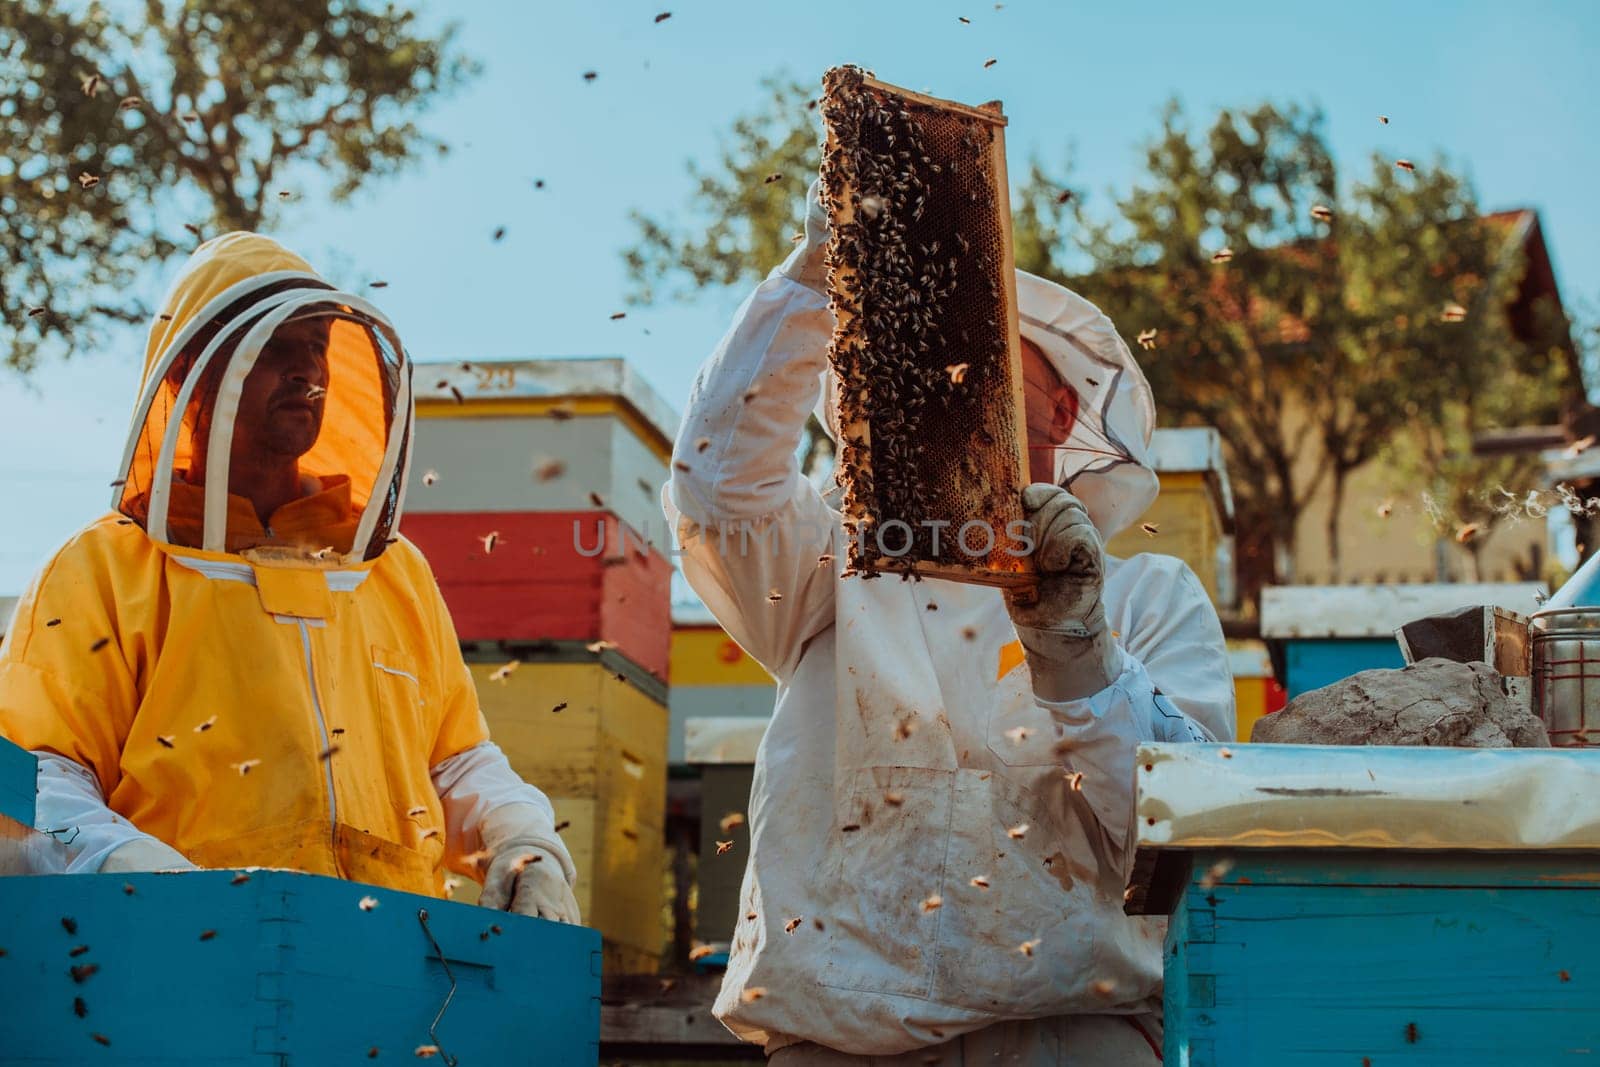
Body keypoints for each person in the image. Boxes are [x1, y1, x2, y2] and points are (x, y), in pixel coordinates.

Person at [664, 185, 1234, 1063]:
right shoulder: (830, 559)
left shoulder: (1149, 596)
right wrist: (820, 275)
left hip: (1074, 1032)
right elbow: (715, 487)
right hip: (837, 1035)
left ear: (1063, 413)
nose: (955, 397)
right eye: (931, 376)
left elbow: (1186, 832)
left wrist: (1080, 648)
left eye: (989, 375)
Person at [0, 232, 579, 922]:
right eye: (276, 348)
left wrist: (521, 836)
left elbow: (454, 760)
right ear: (192, 371)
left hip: (394, 953)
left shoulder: (391, 571)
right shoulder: (102, 568)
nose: (308, 370)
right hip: (178, 955)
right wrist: (132, 869)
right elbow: (38, 782)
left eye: (318, 346)